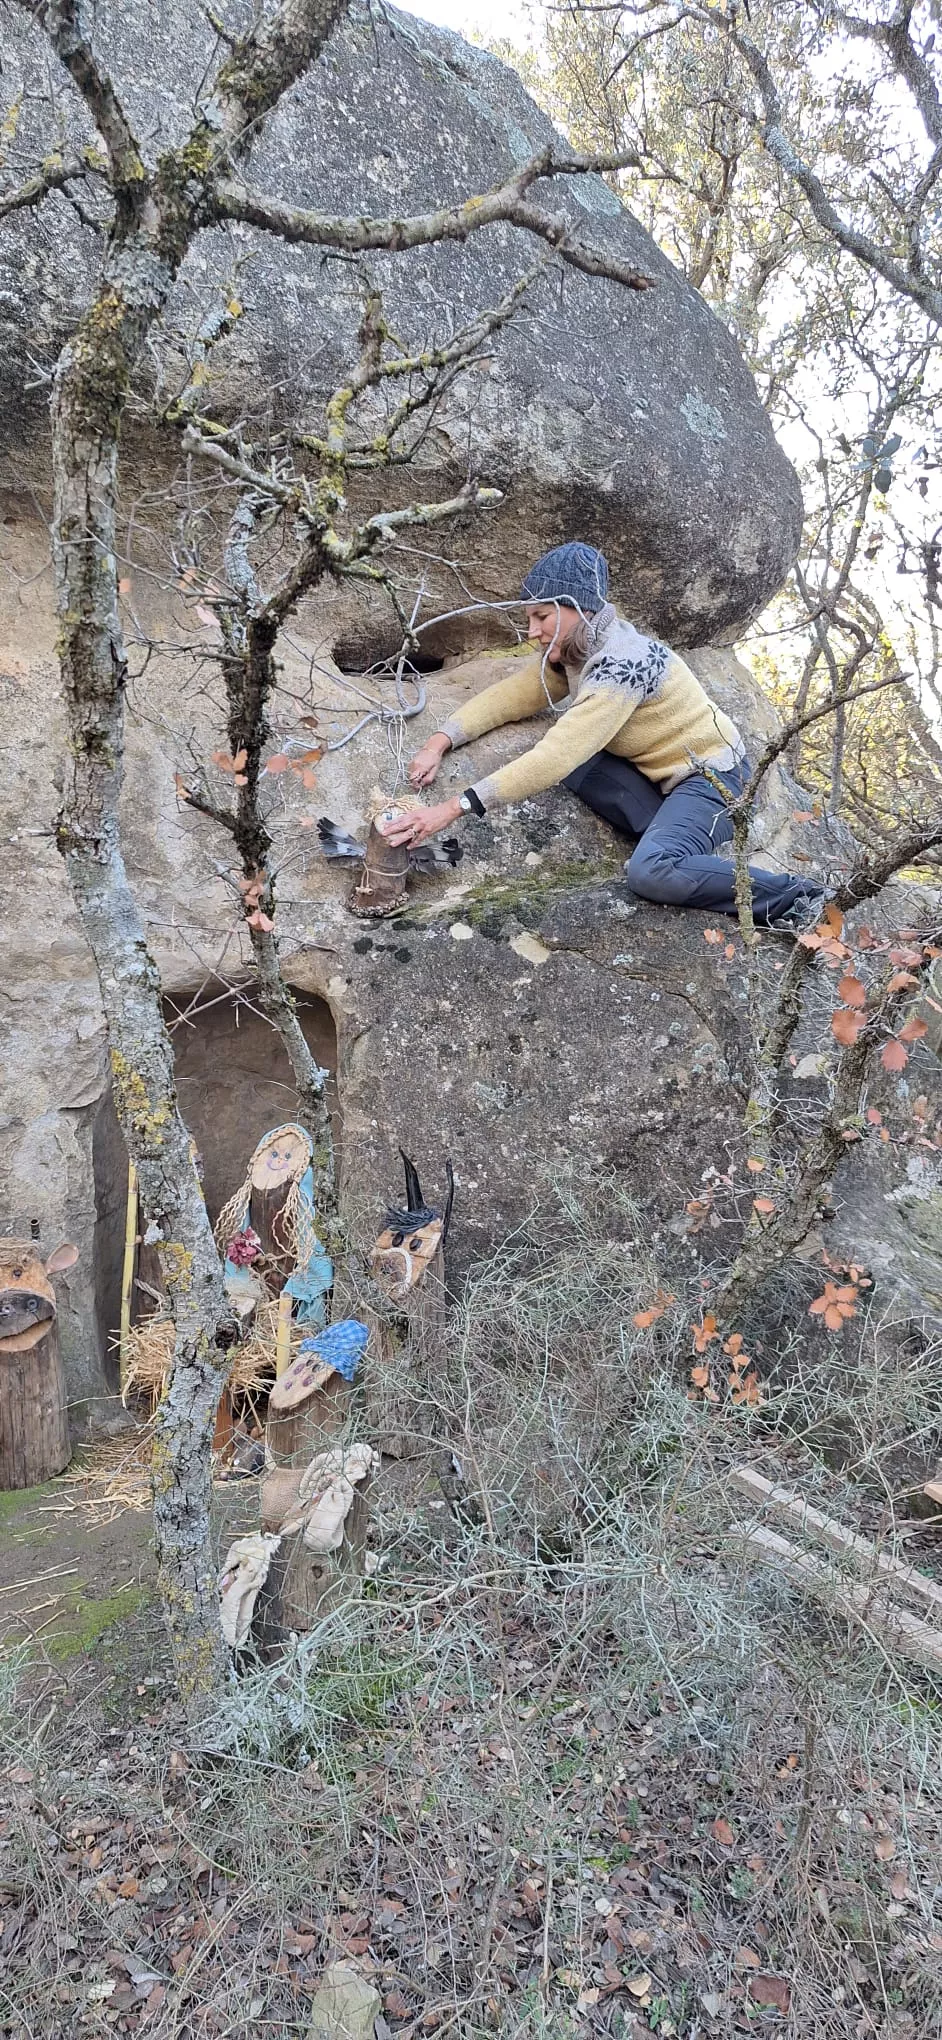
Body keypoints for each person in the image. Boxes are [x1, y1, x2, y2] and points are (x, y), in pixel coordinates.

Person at [384, 542, 823, 928]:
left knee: (649, 872)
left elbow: (554, 756)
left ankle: (798, 898)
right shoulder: (578, 649)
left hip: (714, 783)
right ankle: (672, 840)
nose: (532, 631)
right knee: (574, 761)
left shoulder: (623, 663)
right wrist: (439, 741)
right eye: (529, 618)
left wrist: (451, 808)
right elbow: (513, 697)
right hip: (660, 780)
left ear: (580, 608)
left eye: (541, 616)